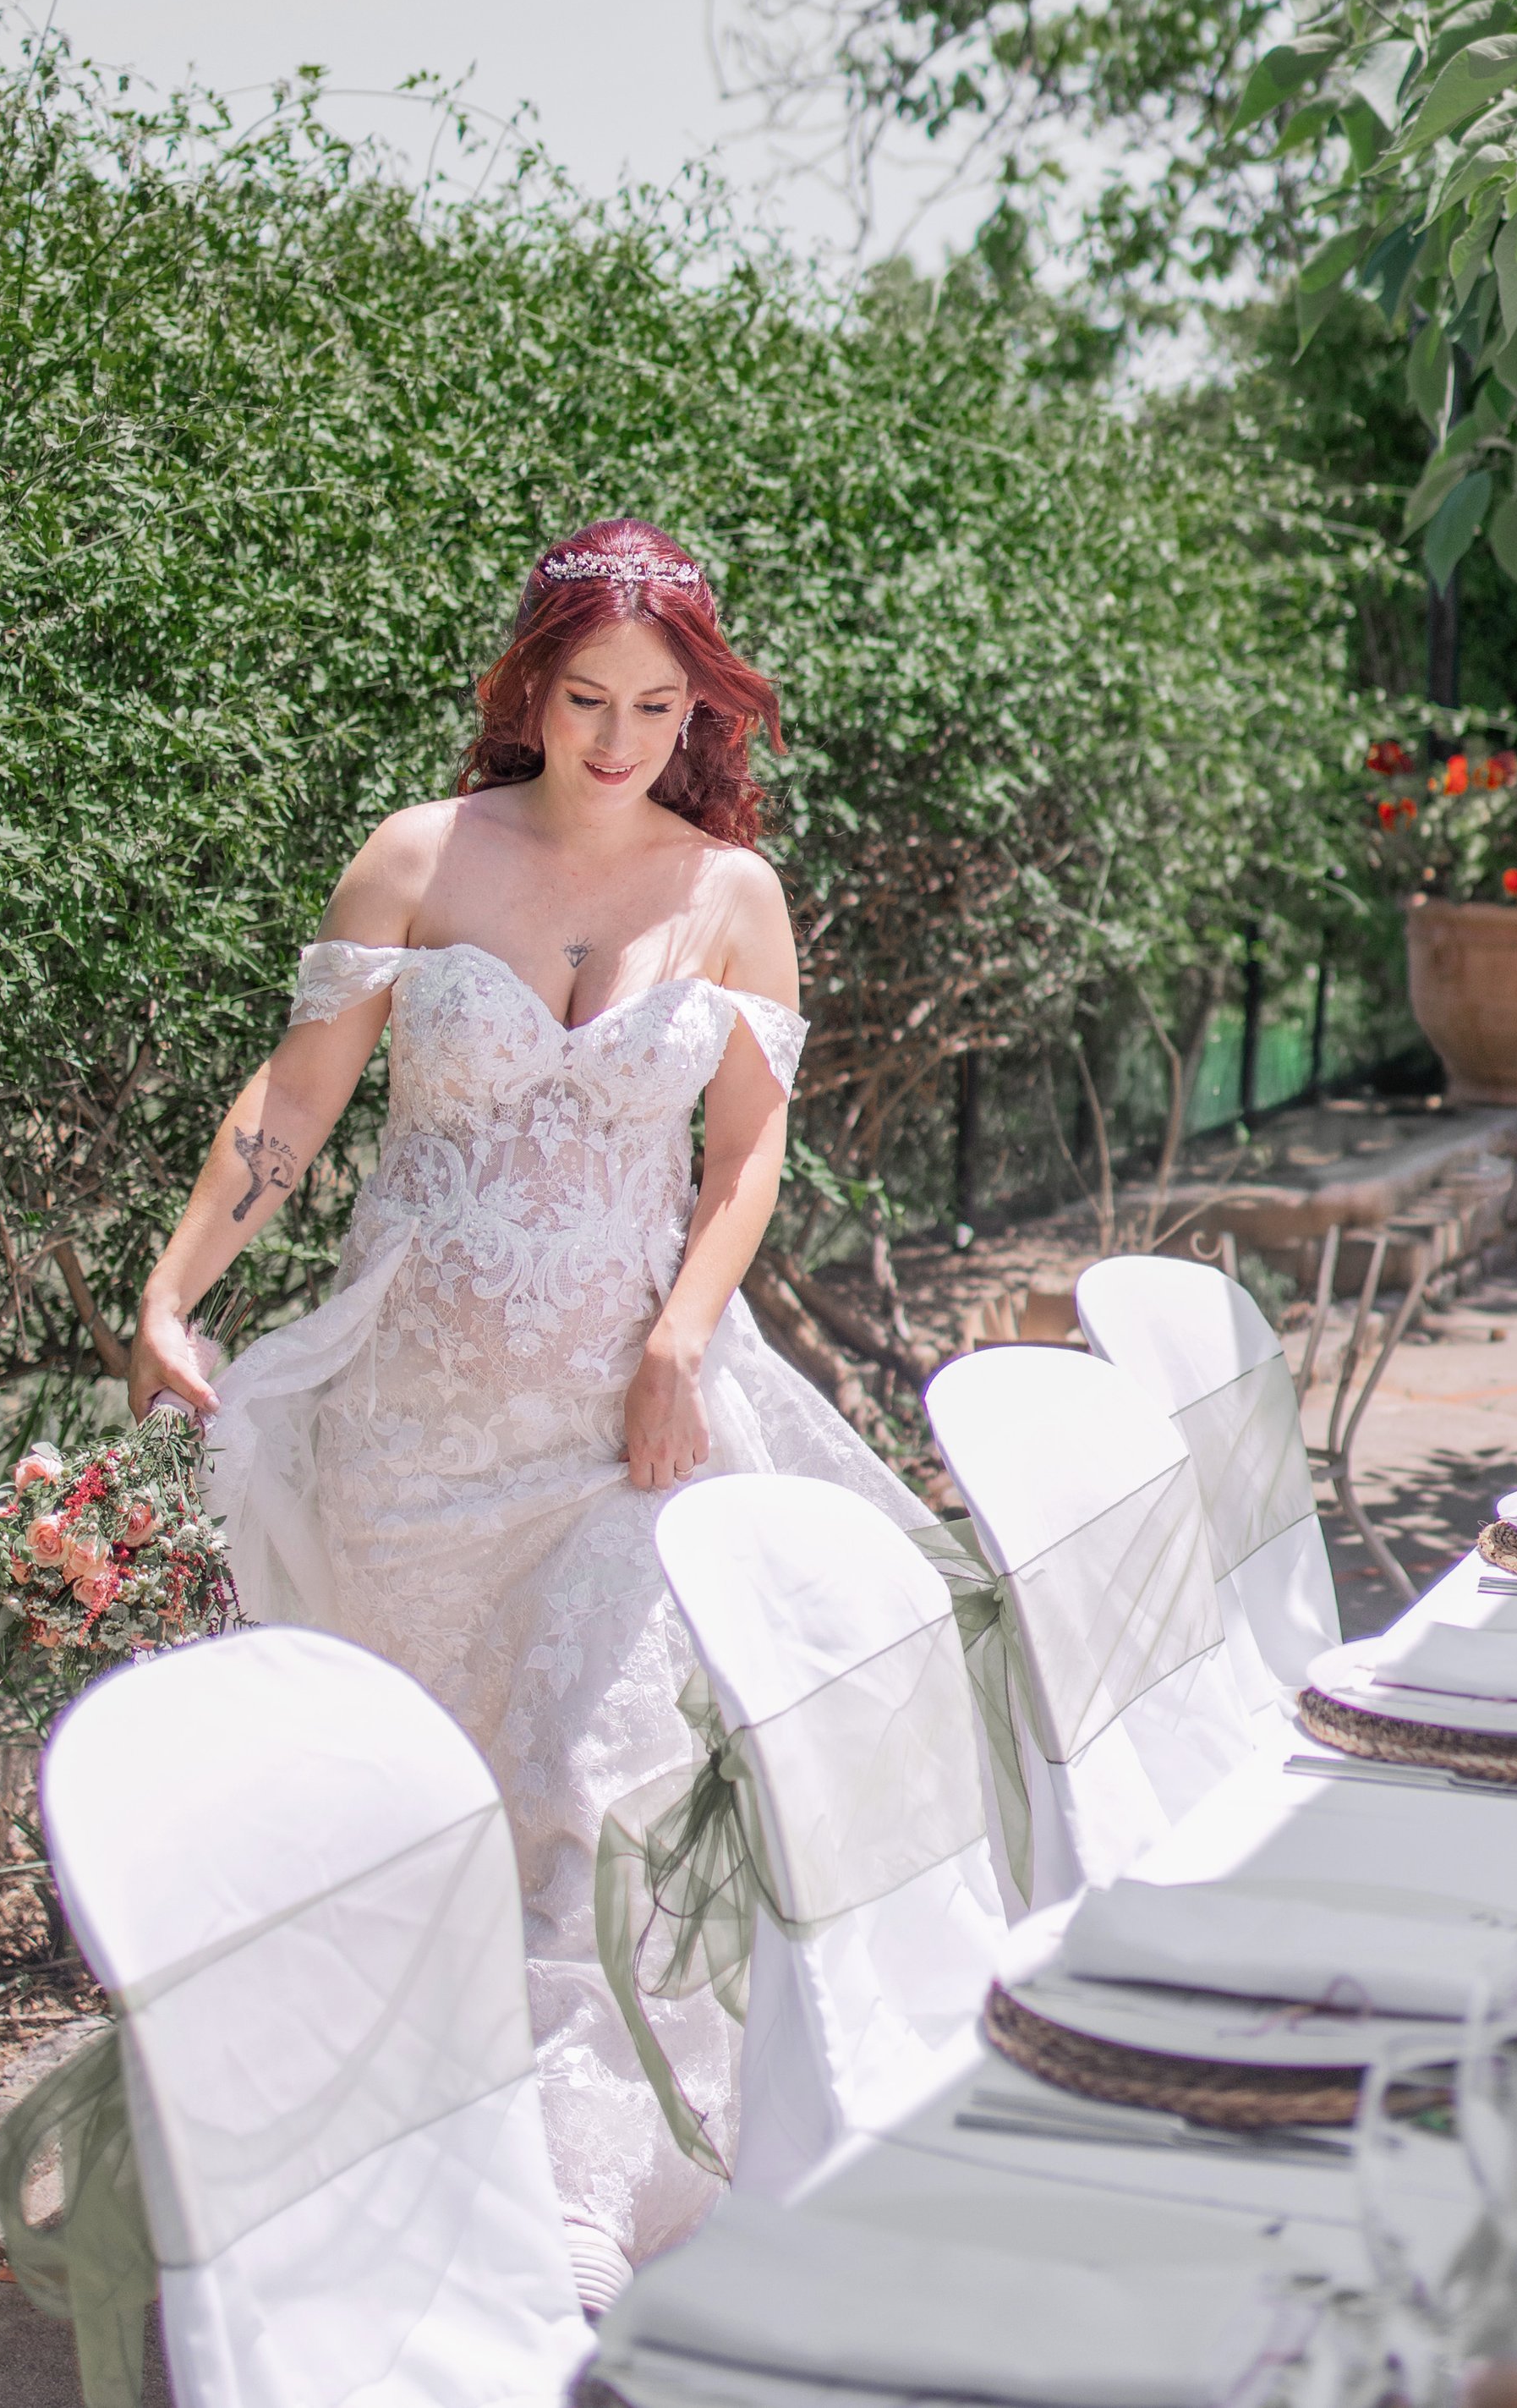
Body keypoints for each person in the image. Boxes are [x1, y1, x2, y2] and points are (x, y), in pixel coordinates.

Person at [127, 518, 932, 2315]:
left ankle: (578, 2196)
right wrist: (176, 1282)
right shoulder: (421, 857)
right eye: (584, 698)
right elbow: (296, 1101)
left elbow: (745, 1154)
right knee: (425, 1817)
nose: (617, 738)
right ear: (529, 687)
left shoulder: (731, 893)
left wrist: (680, 1334)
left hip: (614, 1443)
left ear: (695, 708)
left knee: (606, 1782)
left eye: (656, 705)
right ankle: (391, 2162)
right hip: (406, 1437)